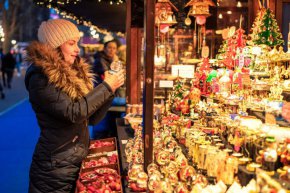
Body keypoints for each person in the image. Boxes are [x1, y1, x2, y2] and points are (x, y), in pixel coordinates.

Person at [25, 19, 124, 193]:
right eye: (71, 43)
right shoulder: (41, 77)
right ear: (54, 46)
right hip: (55, 167)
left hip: (75, 160)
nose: (77, 49)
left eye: (77, 43)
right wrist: (106, 86)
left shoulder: (74, 74)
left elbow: (91, 118)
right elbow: (74, 113)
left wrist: (110, 91)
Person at [92, 39, 126, 139]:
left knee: (113, 120)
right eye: (109, 47)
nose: (112, 50)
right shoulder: (100, 60)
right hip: (102, 95)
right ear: (104, 48)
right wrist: (115, 62)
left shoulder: (110, 60)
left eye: (114, 48)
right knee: (125, 103)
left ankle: (114, 136)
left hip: (109, 95)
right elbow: (110, 78)